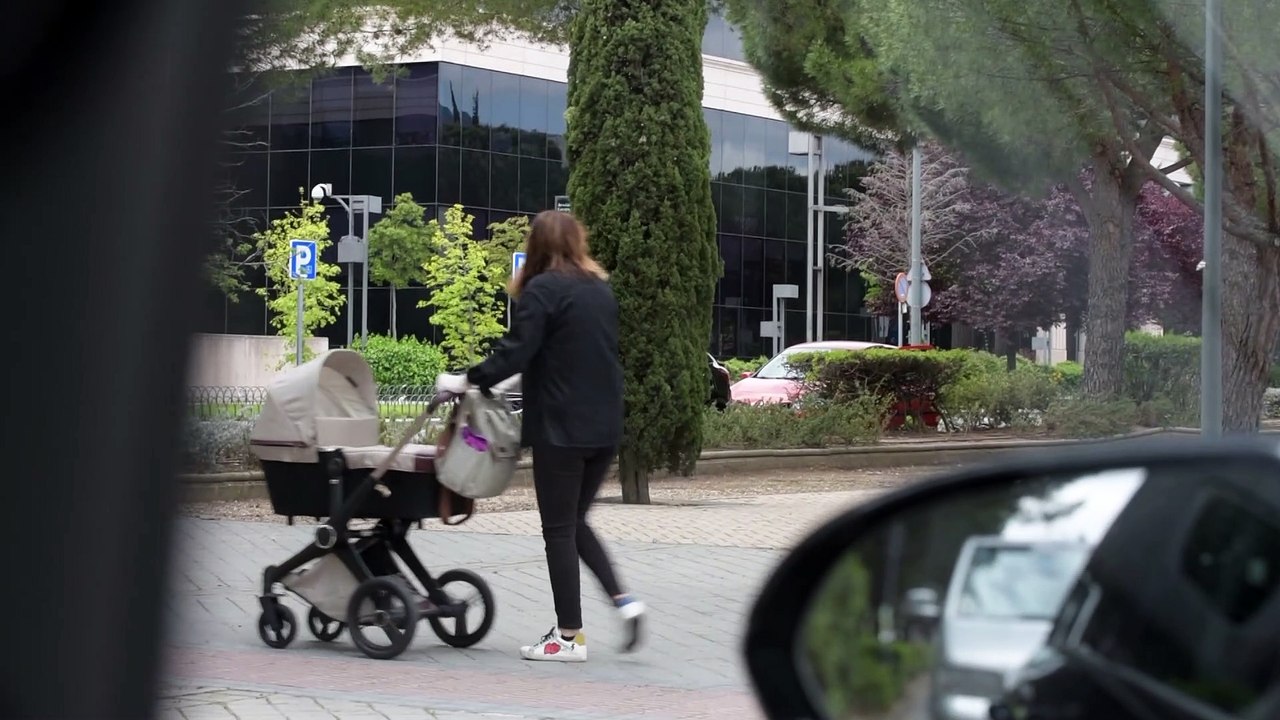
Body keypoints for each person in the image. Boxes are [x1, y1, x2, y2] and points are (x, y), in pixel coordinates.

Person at [435, 210, 645, 663]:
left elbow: (517, 352)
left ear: (536, 246)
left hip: (562, 431)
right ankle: (626, 603)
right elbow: (565, 355)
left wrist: (466, 380)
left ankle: (568, 637)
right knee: (575, 522)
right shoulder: (599, 291)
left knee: (558, 530)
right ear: (576, 242)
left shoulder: (542, 290)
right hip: (604, 427)